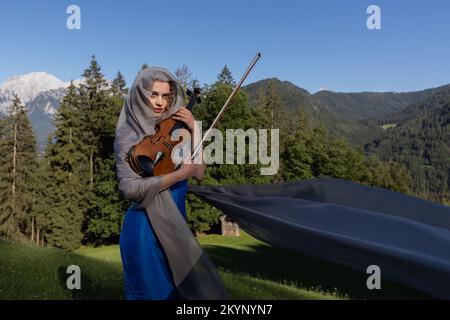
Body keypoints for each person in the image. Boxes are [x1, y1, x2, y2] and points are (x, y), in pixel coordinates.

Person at [114, 67, 227, 300]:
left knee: (177, 292)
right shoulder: (129, 132)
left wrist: (195, 128)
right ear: (141, 94)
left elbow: (199, 173)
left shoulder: (174, 130)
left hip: (176, 222)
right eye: (153, 94)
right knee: (152, 293)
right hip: (146, 226)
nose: (160, 102)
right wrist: (177, 175)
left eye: (166, 96)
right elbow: (129, 189)